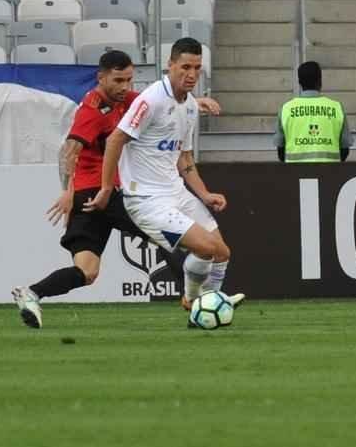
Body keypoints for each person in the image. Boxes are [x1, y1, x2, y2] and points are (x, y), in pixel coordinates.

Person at [11, 50, 220, 329]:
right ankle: (198, 304)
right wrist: (66, 191)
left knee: (87, 271)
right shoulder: (92, 110)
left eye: (129, 80)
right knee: (171, 237)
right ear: (101, 78)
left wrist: (194, 101)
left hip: (91, 198)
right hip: (102, 193)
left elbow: (157, 101)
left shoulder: (127, 100)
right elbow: (68, 151)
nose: (125, 87)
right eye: (118, 80)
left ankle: (31, 293)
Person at [86, 37, 243, 315]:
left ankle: (209, 302)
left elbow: (185, 159)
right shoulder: (151, 100)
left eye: (197, 68)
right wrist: (107, 188)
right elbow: (115, 140)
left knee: (222, 253)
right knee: (206, 248)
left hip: (176, 192)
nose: (191, 74)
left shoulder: (190, 106)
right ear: (170, 65)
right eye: (185, 67)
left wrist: (204, 194)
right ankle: (195, 302)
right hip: (147, 201)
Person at [275, 60, 351, 163]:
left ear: (299, 83)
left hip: (295, 171)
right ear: (320, 81)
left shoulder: (286, 109)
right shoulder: (336, 107)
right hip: (330, 170)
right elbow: (345, 150)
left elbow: (280, 151)